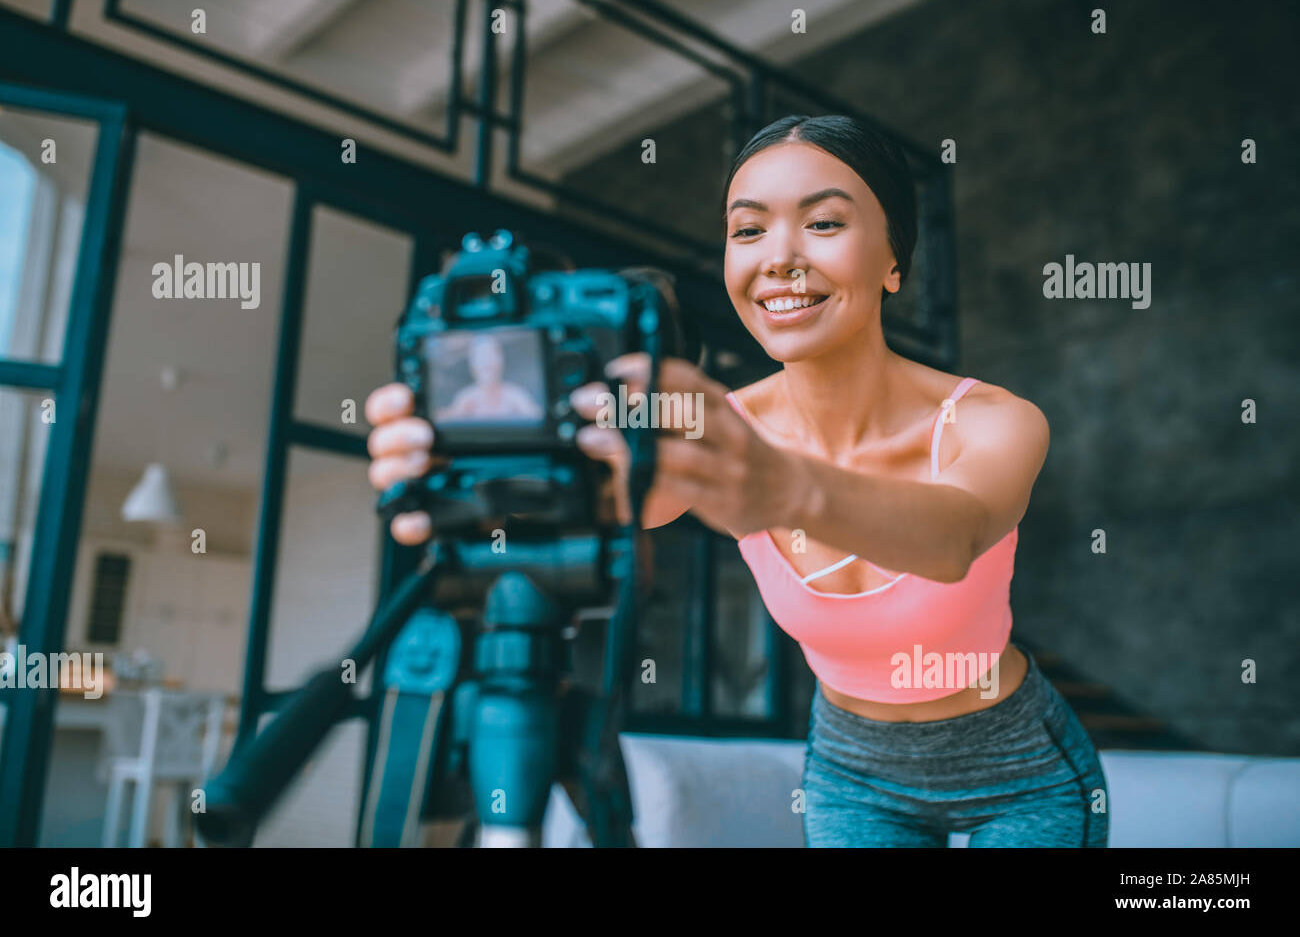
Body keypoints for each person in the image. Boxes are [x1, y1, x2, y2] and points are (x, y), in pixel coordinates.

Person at [365, 114, 1108, 847]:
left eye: (823, 224)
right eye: (748, 231)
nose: (779, 258)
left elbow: (955, 535)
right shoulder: (710, 421)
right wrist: (463, 475)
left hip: (1019, 771)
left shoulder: (992, 419)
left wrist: (782, 486)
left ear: (893, 261)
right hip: (855, 774)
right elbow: (614, 498)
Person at [434, 334, 543, 422]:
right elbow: (445, 417)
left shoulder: (514, 395)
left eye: (490, 356)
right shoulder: (466, 398)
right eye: (481, 357)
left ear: (500, 361)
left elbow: (537, 415)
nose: (487, 362)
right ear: (473, 364)